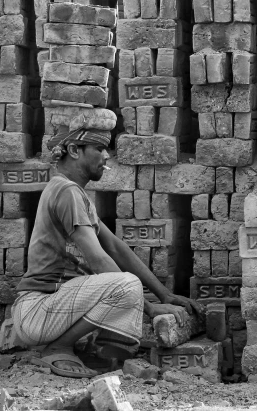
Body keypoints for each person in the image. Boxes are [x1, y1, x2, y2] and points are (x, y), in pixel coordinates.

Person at [11, 125, 203, 378]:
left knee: (126, 299)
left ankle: (92, 349)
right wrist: (149, 307)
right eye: (99, 148)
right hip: (38, 311)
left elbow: (116, 247)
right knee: (126, 286)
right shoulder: (66, 192)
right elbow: (99, 259)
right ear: (73, 150)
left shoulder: (76, 195)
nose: (106, 156)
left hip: (53, 309)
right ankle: (59, 346)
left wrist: (164, 295)